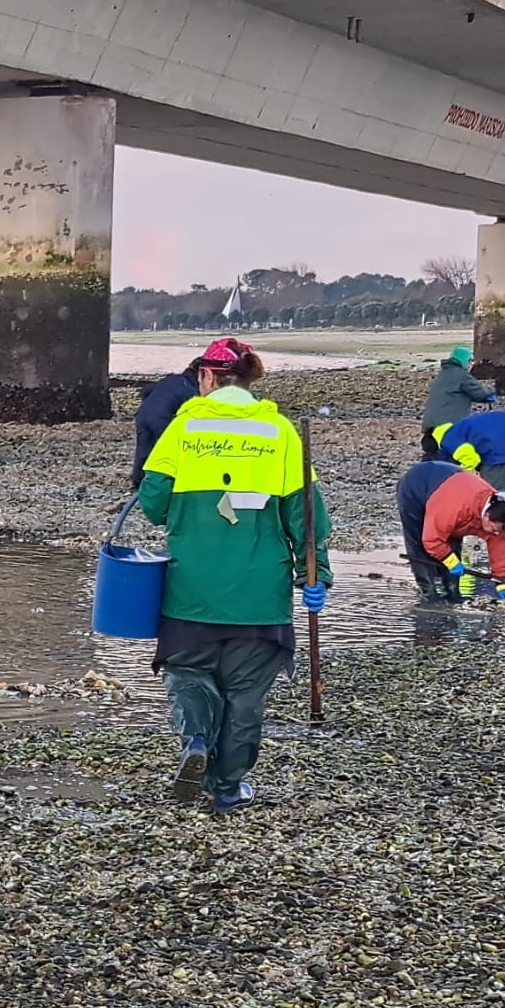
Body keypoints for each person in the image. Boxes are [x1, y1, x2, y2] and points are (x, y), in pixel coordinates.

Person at [138, 347, 331, 814]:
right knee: (245, 696)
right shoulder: (280, 432)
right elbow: (307, 518)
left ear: (207, 376)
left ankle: (197, 740)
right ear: (248, 379)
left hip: (191, 589)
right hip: (260, 595)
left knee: (188, 673)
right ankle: (227, 787)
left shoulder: (184, 427)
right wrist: (317, 574)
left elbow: (153, 503)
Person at [133, 338, 262, 487]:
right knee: (174, 455)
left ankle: (138, 481)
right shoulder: (280, 427)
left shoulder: (172, 380)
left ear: (208, 375)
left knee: (146, 449)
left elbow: (146, 390)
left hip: (144, 413)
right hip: (162, 418)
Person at [395, 462, 505, 606]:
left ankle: (452, 593)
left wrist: (502, 583)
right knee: (419, 545)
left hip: (451, 490)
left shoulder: (498, 519)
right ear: (486, 516)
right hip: (416, 486)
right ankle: (429, 593)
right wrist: (451, 562)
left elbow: (499, 553)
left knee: (452, 542)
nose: (495, 533)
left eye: (498, 530)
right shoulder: (457, 507)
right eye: (493, 528)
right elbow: (431, 540)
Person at [421, 345, 497, 458]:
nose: (471, 364)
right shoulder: (462, 375)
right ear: (463, 360)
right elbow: (479, 393)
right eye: (469, 360)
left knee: (434, 457)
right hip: (448, 424)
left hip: (431, 425)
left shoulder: (444, 374)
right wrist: (492, 389)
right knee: (464, 457)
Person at [432, 406, 505, 492]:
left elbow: (472, 460)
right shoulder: (449, 431)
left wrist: (461, 479)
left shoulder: (448, 441)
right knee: (500, 483)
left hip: (499, 436)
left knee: (492, 491)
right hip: (504, 422)